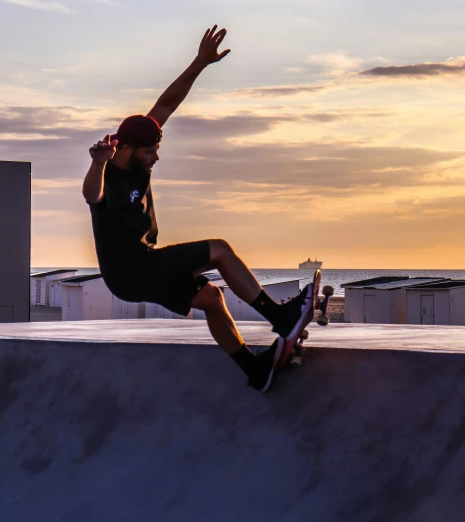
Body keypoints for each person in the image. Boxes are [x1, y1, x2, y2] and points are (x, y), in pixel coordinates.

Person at [82, 25, 314, 393]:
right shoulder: (107, 173)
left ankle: (253, 369)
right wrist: (97, 163)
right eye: (149, 152)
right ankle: (279, 316)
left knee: (211, 298)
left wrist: (200, 63)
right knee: (219, 249)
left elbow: (167, 103)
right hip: (132, 269)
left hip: (140, 267)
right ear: (126, 149)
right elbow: (90, 196)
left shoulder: (137, 139)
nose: (156, 156)